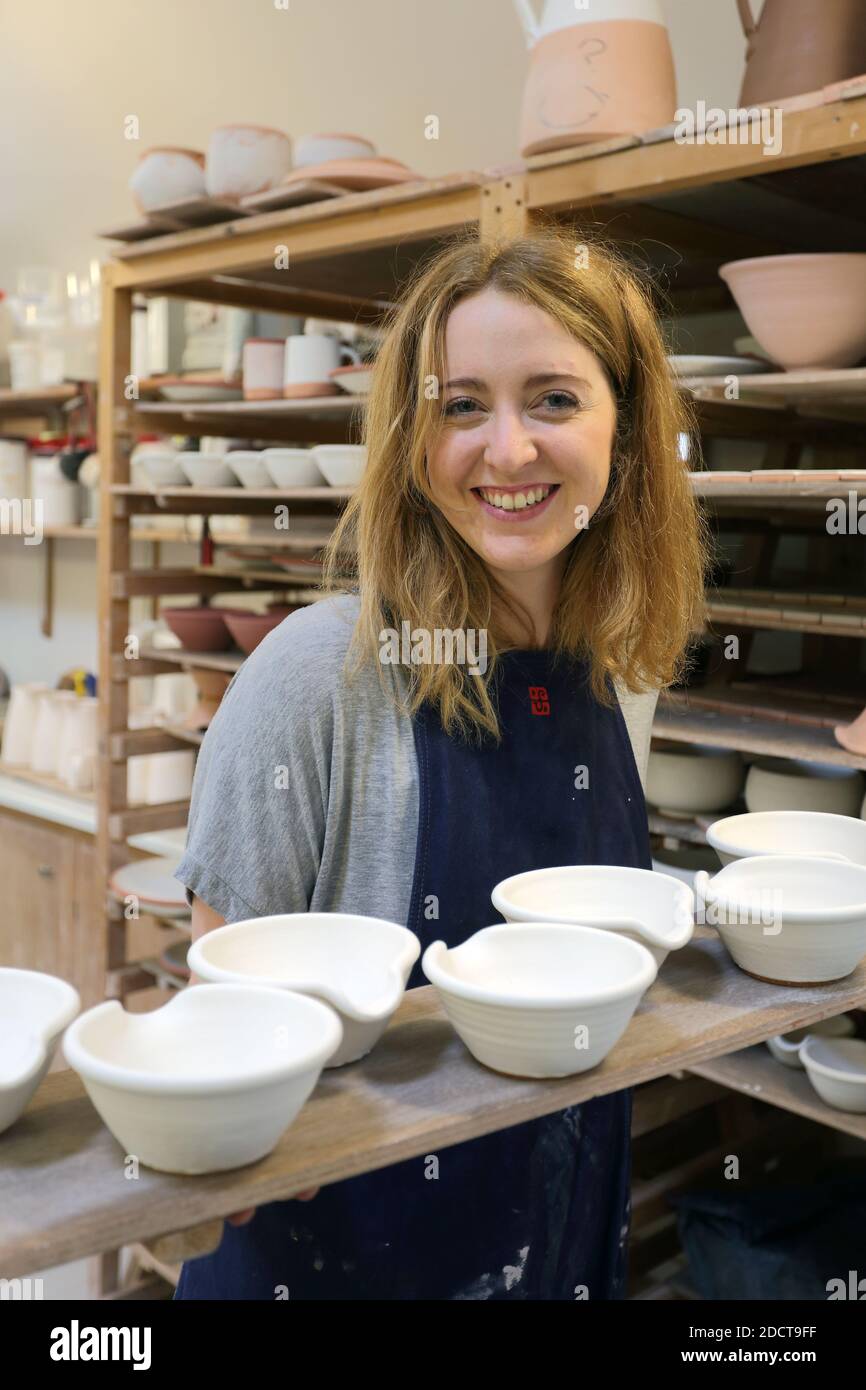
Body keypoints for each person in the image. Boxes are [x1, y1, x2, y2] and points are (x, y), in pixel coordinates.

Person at [173, 228, 706, 1300]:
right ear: (413, 439)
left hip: (549, 1223)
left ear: (629, 435)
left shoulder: (602, 673)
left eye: (552, 399)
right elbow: (221, 1020)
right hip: (337, 1262)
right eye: (460, 405)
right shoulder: (315, 673)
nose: (504, 451)